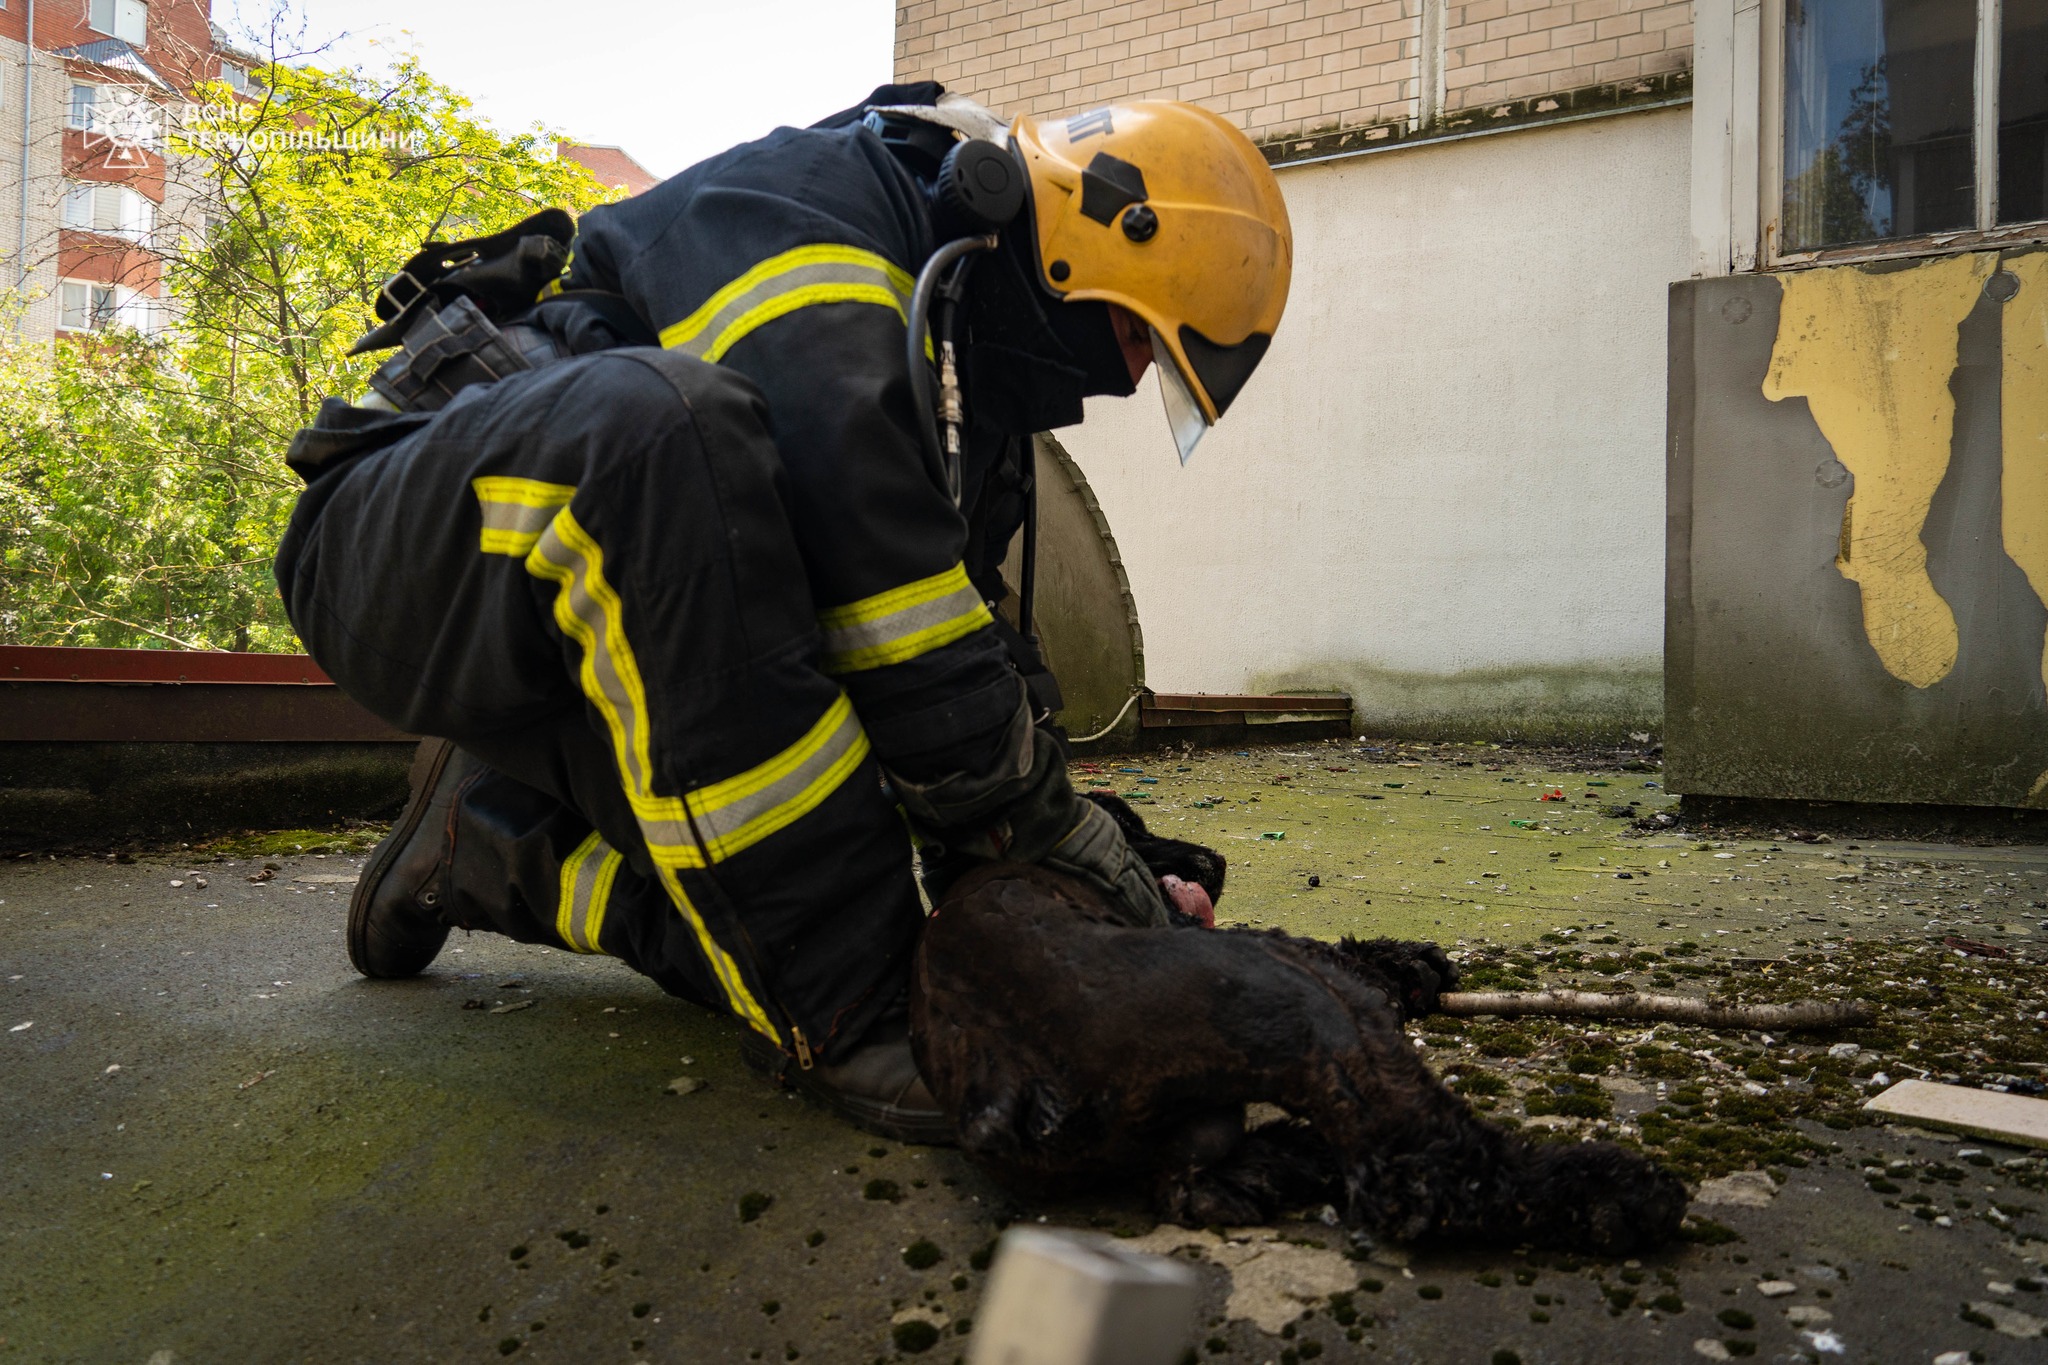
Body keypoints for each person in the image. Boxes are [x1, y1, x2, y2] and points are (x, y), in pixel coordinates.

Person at [273, 85, 1291, 1142]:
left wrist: (1108, 882)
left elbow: (968, 670)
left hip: (593, 618)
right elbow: (879, 583)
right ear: (1093, 241)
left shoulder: (958, 377)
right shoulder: (815, 204)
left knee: (771, 882)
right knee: (660, 427)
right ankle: (848, 1011)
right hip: (398, 558)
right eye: (1138, 339)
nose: (1126, 382)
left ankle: (490, 847)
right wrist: (1049, 844)